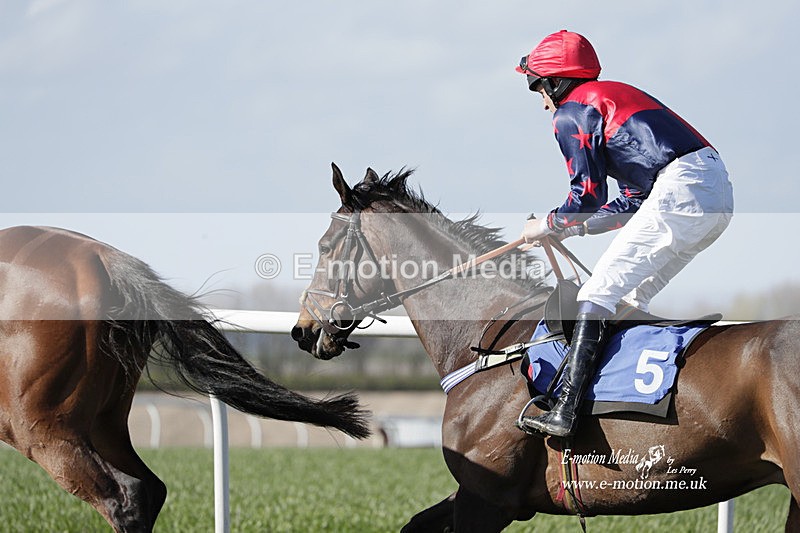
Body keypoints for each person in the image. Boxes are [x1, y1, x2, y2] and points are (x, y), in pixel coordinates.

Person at [515, 30, 734, 438]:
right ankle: (622, 406)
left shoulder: (571, 112)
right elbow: (629, 204)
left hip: (682, 189)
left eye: (539, 89)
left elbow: (587, 197)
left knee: (595, 294)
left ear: (556, 82)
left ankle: (565, 410)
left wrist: (547, 223)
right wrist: (570, 228)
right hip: (713, 191)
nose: (543, 102)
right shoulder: (612, 96)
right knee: (628, 301)